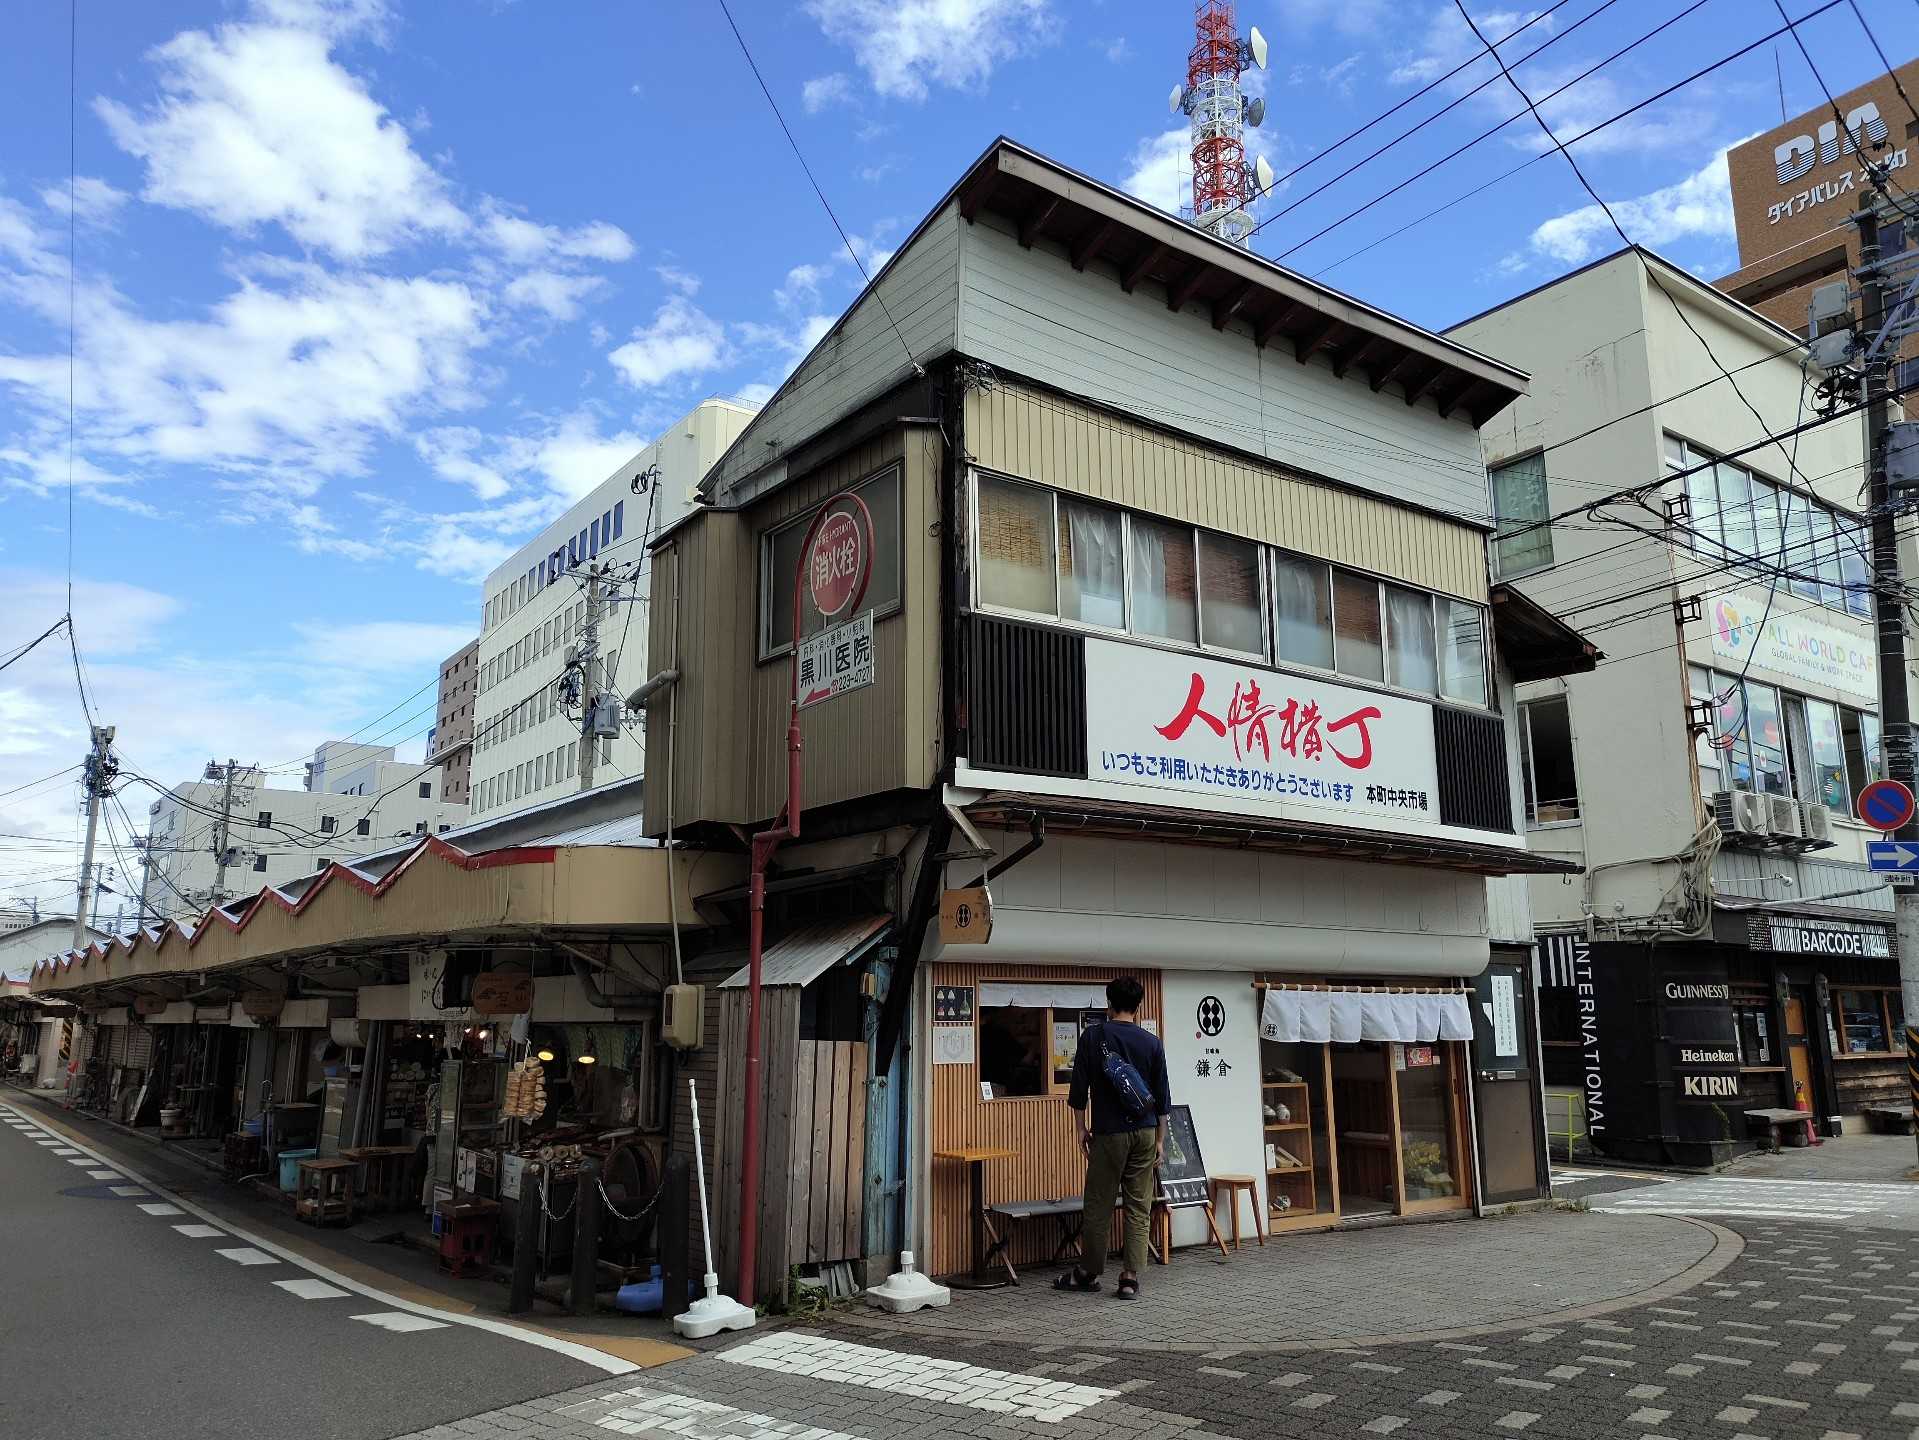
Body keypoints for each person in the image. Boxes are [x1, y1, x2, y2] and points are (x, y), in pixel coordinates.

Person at [1055, 976, 1170, 1300]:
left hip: (1109, 1133)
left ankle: (1088, 1272)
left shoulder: (1093, 1037)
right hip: (1145, 1131)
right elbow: (1162, 1097)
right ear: (1138, 1006)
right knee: (1139, 1205)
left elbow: (1079, 1089)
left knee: (1099, 1203)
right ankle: (1129, 1278)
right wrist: (1160, 1139)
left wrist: (1081, 1128)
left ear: (1109, 1004)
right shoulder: (1152, 1043)